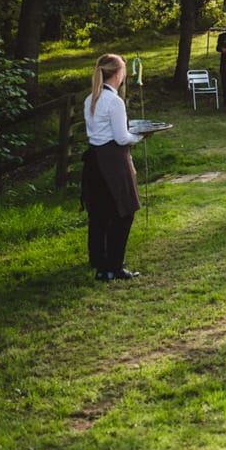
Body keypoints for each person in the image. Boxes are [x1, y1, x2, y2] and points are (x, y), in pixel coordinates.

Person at [82, 54, 149, 281]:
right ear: (118, 74)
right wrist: (140, 136)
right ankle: (115, 265)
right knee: (124, 212)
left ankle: (100, 264)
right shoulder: (114, 101)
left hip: (94, 160)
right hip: (112, 160)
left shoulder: (91, 98)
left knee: (100, 213)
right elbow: (121, 138)